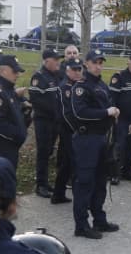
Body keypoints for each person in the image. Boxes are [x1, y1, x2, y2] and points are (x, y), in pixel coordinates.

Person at [67, 49, 121, 239]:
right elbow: (80, 112)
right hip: (87, 140)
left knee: (100, 181)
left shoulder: (101, 85)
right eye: (95, 62)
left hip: (101, 138)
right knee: (84, 182)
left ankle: (99, 219)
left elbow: (106, 106)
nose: (98, 66)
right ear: (86, 64)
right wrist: (106, 113)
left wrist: (113, 112)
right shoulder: (81, 87)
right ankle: (81, 225)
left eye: (100, 63)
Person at [29, 49, 64, 198]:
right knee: (43, 152)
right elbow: (36, 100)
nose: (58, 62)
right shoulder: (39, 77)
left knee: (49, 151)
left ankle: (46, 182)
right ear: (46, 61)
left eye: (58, 59)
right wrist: (53, 110)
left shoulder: (57, 75)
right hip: (43, 121)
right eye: (55, 60)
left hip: (55, 121)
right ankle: (40, 185)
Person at [107, 53, 131, 184]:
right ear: (128, 62)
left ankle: (127, 171)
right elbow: (112, 99)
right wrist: (115, 115)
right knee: (119, 146)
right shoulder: (119, 77)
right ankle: (114, 173)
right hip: (121, 118)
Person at [51, 61, 81, 205]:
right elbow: (66, 113)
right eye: (74, 70)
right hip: (68, 130)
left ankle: (58, 194)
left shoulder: (77, 86)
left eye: (79, 69)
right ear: (67, 71)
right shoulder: (65, 87)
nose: (77, 72)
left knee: (67, 163)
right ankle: (80, 198)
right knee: (75, 163)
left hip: (73, 130)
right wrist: (78, 130)